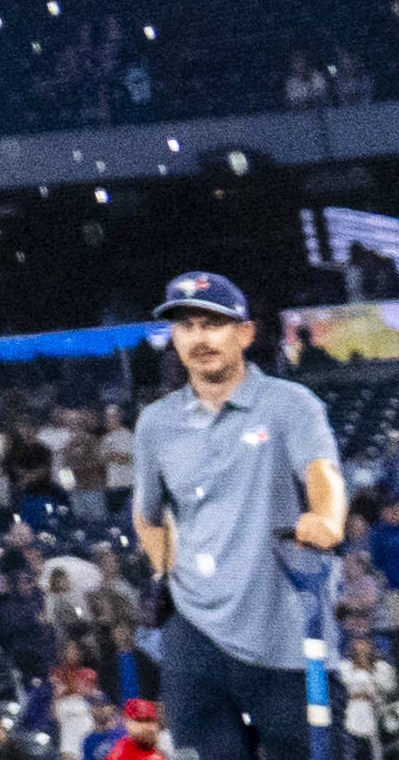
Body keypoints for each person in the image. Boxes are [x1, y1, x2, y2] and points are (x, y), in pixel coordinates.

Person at [138, 272, 345, 760]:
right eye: (187, 326)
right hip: (194, 639)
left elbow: (323, 472)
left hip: (284, 634)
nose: (199, 338)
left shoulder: (290, 405)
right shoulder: (156, 423)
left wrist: (327, 517)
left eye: (214, 324)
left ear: (246, 334)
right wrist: (165, 573)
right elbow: (147, 516)